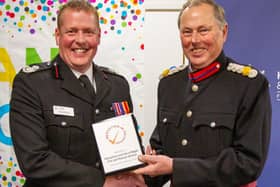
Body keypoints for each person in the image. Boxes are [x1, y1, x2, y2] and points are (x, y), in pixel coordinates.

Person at [134, 0, 272, 187]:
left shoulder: (249, 85)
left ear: (224, 32)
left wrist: (176, 167)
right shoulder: (169, 84)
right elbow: (162, 149)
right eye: (187, 32)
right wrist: (140, 175)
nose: (195, 40)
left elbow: (248, 163)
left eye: (203, 30)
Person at [9, 0, 146, 186]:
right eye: (71, 31)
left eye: (88, 32)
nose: (80, 40)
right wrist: (101, 182)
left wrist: (142, 166)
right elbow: (34, 160)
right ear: (58, 36)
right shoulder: (32, 84)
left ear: (98, 36)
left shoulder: (117, 85)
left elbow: (123, 147)